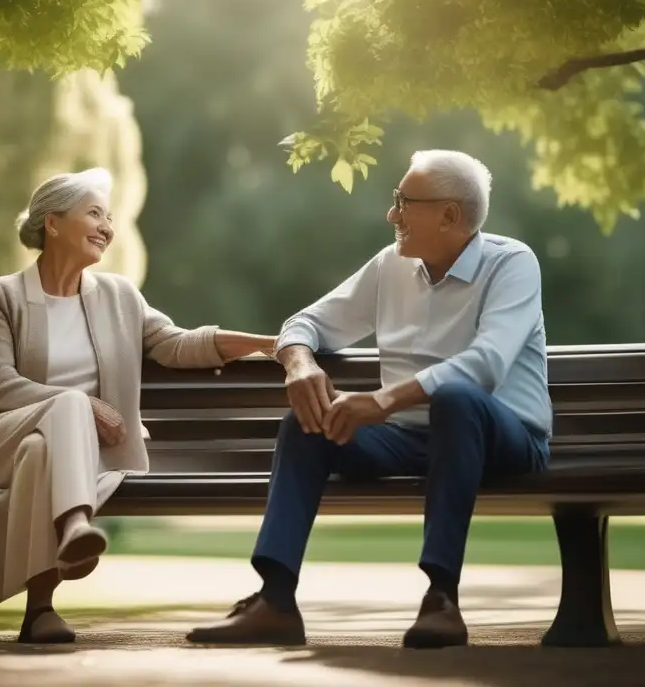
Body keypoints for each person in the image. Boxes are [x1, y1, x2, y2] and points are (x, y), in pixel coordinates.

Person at [186, 149, 553, 649]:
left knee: (459, 401)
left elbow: (486, 364)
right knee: (307, 423)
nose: (392, 214)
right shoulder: (390, 267)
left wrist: (382, 402)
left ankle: (441, 599)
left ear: (450, 215)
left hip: (502, 439)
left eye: (404, 202)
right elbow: (305, 323)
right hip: (406, 440)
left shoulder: (512, 264)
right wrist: (300, 364)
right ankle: (275, 600)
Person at [0, 168, 275, 644]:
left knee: (45, 451)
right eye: (94, 213)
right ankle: (76, 525)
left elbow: (176, 344)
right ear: (53, 223)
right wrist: (80, 405)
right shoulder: (0, 295)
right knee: (66, 411)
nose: (107, 227)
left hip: (68, 453)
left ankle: (39, 613)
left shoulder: (119, 296)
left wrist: (266, 342)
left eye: (109, 217)